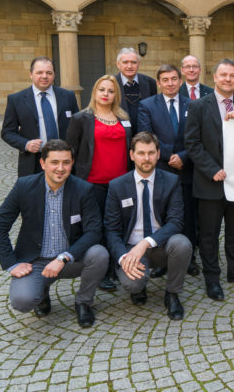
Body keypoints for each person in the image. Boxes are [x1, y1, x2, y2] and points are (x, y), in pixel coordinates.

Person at [0, 140, 109, 328]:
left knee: (99, 253)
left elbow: (94, 231)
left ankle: (84, 302)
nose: (60, 168)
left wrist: (64, 257)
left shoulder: (83, 189)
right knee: (22, 301)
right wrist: (10, 263)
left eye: (66, 162)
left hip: (70, 258)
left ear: (72, 163)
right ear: (43, 163)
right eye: (54, 162)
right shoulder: (24, 187)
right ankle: (41, 292)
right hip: (35, 261)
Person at [185, 58, 234, 301]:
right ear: (215, 77)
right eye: (223, 75)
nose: (228, 79)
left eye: (232, 75)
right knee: (209, 234)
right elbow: (192, 143)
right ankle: (212, 278)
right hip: (210, 182)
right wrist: (212, 169)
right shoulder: (198, 106)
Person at [104, 132, 193, 320]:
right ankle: (139, 287)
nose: (146, 158)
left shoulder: (171, 181)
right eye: (141, 153)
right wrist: (122, 258)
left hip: (160, 244)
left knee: (182, 244)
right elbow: (111, 229)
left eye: (151, 153)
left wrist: (145, 243)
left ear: (158, 154)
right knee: (132, 284)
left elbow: (176, 221)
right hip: (130, 248)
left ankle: (172, 293)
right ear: (131, 155)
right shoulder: (117, 186)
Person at [66, 74, 132, 292]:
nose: (106, 94)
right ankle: (100, 271)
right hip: (93, 183)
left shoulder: (124, 117)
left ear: (116, 95)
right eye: (102, 90)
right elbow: (71, 153)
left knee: (117, 226)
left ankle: (117, 265)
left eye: (111, 91)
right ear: (94, 92)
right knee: (98, 228)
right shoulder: (81, 118)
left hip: (120, 184)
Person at [137, 64, 199, 277]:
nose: (170, 83)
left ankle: (189, 258)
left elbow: (198, 137)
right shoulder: (146, 105)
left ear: (180, 81)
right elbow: (146, 136)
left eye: (174, 79)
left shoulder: (193, 104)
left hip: (187, 169)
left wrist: (183, 157)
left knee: (189, 216)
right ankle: (163, 259)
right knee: (162, 216)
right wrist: (168, 156)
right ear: (159, 83)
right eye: (165, 79)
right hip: (160, 169)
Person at [1, 57, 80, 177]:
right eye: (39, 72)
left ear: (54, 75)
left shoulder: (68, 96)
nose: (44, 76)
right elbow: (7, 132)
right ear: (31, 74)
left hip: (64, 161)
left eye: (49, 73)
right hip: (33, 161)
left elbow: (77, 127)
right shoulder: (16, 100)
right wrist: (26, 144)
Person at [115, 47, 157, 129]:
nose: (129, 66)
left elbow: (154, 110)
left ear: (139, 64)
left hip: (144, 134)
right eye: (125, 62)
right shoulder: (111, 83)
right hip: (119, 133)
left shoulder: (150, 82)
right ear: (118, 64)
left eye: (133, 62)